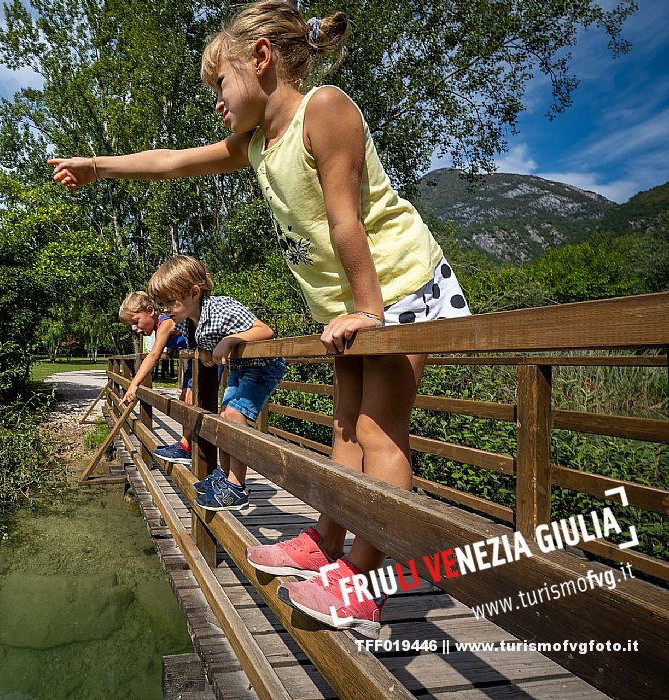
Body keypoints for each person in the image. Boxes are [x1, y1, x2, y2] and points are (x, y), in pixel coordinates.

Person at [48, 0, 471, 637]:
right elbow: (175, 159)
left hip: (397, 292)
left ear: (261, 59)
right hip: (349, 311)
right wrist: (99, 166)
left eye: (220, 83)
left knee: (381, 438)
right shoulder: (255, 147)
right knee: (344, 434)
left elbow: (345, 219)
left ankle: (365, 580)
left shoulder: (323, 110)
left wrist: (368, 312)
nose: (215, 100)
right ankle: (327, 545)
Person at [146, 255, 285, 512]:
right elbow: (202, 348)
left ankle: (237, 487)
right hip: (240, 369)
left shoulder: (221, 307)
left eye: (169, 301)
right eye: (162, 302)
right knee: (224, 417)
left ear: (194, 292)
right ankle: (224, 475)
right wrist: (206, 353)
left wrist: (231, 339)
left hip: (263, 367)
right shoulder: (189, 322)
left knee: (234, 415)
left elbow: (265, 331)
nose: (165, 308)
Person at [118, 290, 194, 465]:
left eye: (135, 321)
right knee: (185, 399)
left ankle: (187, 447)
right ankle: (187, 446)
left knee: (190, 400)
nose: (134, 328)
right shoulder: (161, 327)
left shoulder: (165, 323)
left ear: (150, 311)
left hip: (206, 359)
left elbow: (153, 356)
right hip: (193, 361)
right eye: (130, 325)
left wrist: (133, 385)